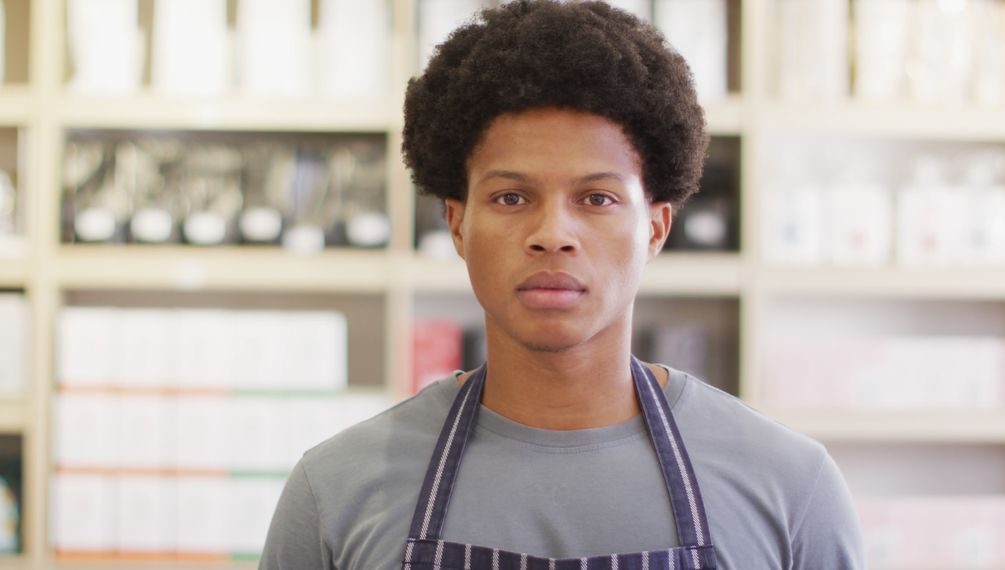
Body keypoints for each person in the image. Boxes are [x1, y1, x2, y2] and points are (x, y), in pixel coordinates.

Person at [259, 1, 864, 568]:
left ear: (655, 228)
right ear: (458, 223)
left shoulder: (790, 488)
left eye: (597, 197)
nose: (553, 234)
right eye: (511, 196)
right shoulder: (335, 490)